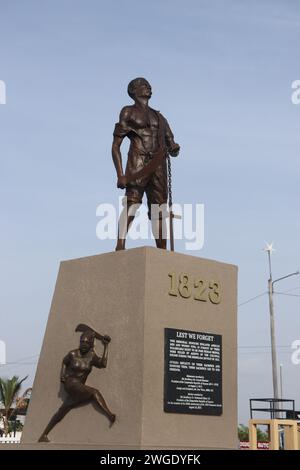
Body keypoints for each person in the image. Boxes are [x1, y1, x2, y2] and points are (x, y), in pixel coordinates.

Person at [112, 77, 180, 250]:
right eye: (143, 85)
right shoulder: (128, 112)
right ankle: (120, 244)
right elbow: (115, 146)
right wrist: (120, 174)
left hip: (159, 166)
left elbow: (171, 143)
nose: (148, 87)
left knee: (159, 209)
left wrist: (173, 148)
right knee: (132, 202)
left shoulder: (160, 117)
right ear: (133, 91)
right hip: (138, 162)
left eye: (148, 85)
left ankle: (161, 250)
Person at [38, 329, 115, 442]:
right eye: (81, 342)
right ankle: (110, 415)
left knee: (63, 410)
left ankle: (43, 435)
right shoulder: (72, 354)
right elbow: (64, 362)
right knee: (94, 392)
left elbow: (103, 364)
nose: (83, 344)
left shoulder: (92, 356)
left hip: (79, 386)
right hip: (70, 383)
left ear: (91, 344)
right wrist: (62, 375)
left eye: (86, 342)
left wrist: (106, 346)